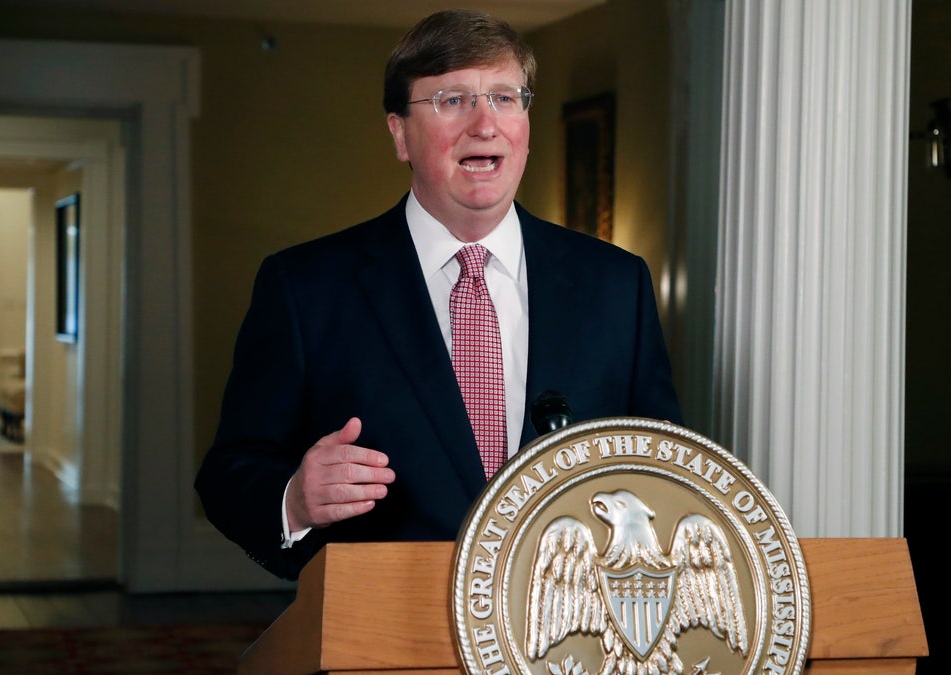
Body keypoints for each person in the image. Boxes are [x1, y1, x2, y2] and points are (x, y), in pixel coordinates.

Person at [194, 9, 681, 581]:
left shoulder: (616, 284)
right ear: (400, 133)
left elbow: (664, 474)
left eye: (504, 97)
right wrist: (294, 500)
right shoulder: (306, 287)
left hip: (564, 635)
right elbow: (229, 475)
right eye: (452, 100)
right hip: (382, 634)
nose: (484, 124)